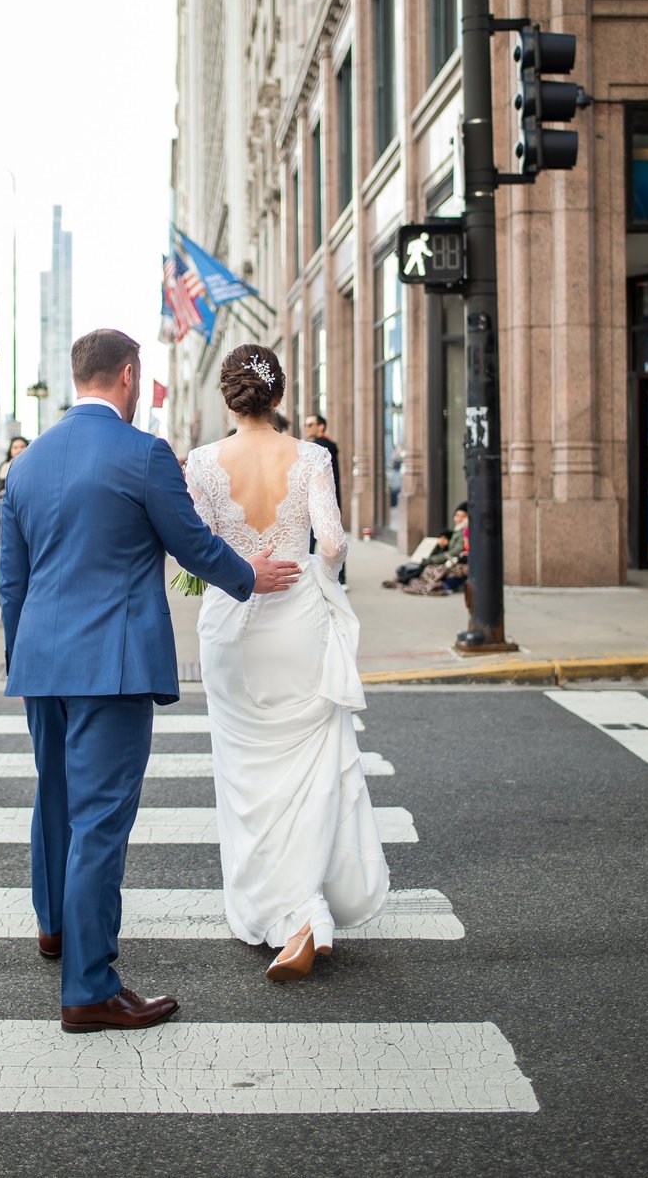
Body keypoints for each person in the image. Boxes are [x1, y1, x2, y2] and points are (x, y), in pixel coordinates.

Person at [0, 328, 301, 1033]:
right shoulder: (143, 454)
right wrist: (246, 577)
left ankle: (55, 929)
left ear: (79, 378)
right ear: (129, 376)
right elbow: (189, 540)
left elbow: (12, 582)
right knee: (100, 823)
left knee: (55, 801)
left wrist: (27, 659)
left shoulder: (28, 464)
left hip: (41, 663)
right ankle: (90, 989)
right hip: (113, 662)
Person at [185, 343, 389, 983]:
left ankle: (283, 915)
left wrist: (243, 566)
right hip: (297, 619)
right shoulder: (311, 457)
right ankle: (305, 914)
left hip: (230, 622)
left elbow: (194, 550)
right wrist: (312, 568)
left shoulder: (201, 462)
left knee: (244, 776)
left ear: (228, 396)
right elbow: (330, 541)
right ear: (279, 396)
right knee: (307, 771)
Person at [304, 410, 345, 584]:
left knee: (322, 540)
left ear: (321, 426)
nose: (307, 428)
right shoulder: (323, 445)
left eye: (311, 424)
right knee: (330, 537)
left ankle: (332, 577)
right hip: (328, 498)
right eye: (306, 424)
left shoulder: (321, 447)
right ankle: (339, 577)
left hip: (321, 499)